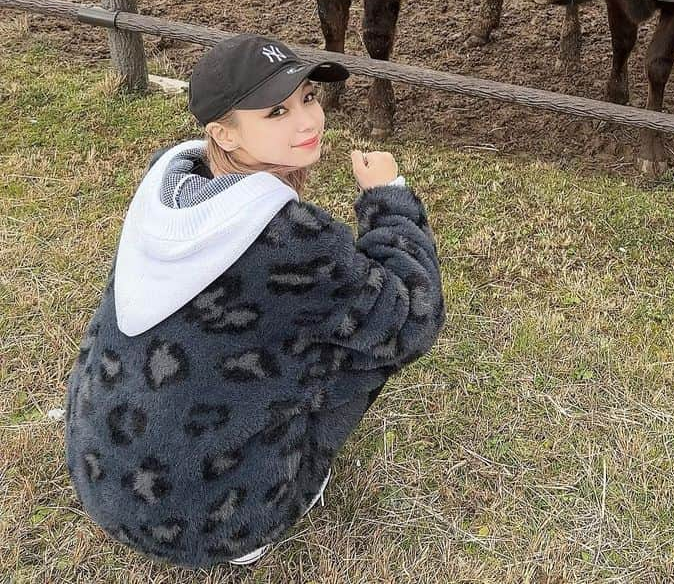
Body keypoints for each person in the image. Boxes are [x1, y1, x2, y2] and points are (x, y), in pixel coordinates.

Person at [64, 33, 444, 568]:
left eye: (308, 98)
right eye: (276, 112)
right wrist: (390, 198)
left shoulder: (169, 182)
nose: (308, 122)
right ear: (224, 132)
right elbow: (412, 316)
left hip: (101, 482)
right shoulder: (293, 239)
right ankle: (259, 514)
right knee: (363, 347)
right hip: (208, 528)